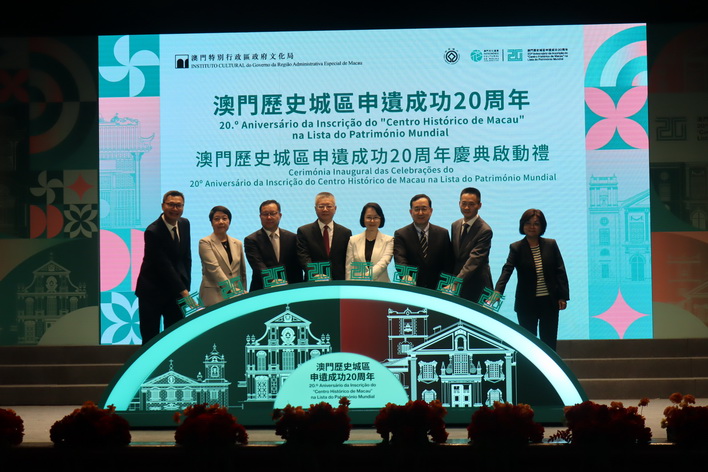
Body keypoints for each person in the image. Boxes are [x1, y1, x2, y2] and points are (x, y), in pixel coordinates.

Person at [493, 209, 569, 351]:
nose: (532, 227)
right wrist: (498, 290)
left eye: (536, 224)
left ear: (542, 226)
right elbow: (507, 270)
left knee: (549, 341)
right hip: (526, 303)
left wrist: (563, 296)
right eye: (528, 223)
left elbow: (560, 271)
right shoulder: (516, 247)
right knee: (528, 343)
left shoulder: (551, 244)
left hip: (549, 301)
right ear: (522, 225)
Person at [135, 190, 192, 343]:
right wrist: (184, 292)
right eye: (171, 205)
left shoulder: (185, 224)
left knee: (174, 337)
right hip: (152, 292)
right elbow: (164, 265)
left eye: (179, 205)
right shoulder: (153, 231)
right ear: (163, 206)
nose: (175, 209)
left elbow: (186, 258)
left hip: (175, 292)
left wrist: (186, 286)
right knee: (150, 338)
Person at [393, 194, 453, 290]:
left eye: (424, 209)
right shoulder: (401, 234)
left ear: (431, 211)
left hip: (438, 290)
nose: (420, 213)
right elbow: (400, 259)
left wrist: (447, 285)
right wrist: (405, 275)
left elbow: (448, 264)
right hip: (412, 288)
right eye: (417, 209)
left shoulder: (442, 233)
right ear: (411, 212)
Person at [244, 200, 304, 291]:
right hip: (263, 290)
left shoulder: (293, 237)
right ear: (260, 216)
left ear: (280, 215)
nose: (269, 217)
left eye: (273, 213)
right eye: (265, 214)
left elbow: (297, 265)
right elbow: (258, 265)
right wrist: (273, 281)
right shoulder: (251, 240)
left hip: (290, 289)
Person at [198, 205, 247, 307]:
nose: (221, 222)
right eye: (217, 219)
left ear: (229, 221)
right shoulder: (205, 242)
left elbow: (242, 272)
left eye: (224, 218)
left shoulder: (237, 243)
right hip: (213, 296)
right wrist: (232, 290)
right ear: (211, 222)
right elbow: (214, 269)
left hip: (237, 295)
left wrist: (243, 292)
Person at [297, 192, 352, 281]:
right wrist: (315, 274)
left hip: (338, 282)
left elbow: (348, 260)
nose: (325, 209)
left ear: (335, 208)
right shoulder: (304, 231)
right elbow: (303, 257)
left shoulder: (345, 232)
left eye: (329, 206)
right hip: (313, 281)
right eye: (321, 206)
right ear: (315, 209)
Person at [451, 187, 493, 303]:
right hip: (458, 287)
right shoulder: (455, 225)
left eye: (471, 204)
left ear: (479, 205)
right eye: (464, 203)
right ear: (459, 203)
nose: (466, 207)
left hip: (478, 287)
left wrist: (456, 282)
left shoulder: (485, 230)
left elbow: (475, 260)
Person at [345, 202, 394, 281]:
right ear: (363, 219)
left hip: (381, 285)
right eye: (368, 217)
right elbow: (349, 268)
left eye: (376, 217)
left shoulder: (389, 240)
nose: (372, 221)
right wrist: (349, 286)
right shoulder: (353, 240)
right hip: (358, 286)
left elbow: (384, 262)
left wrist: (368, 275)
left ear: (381, 219)